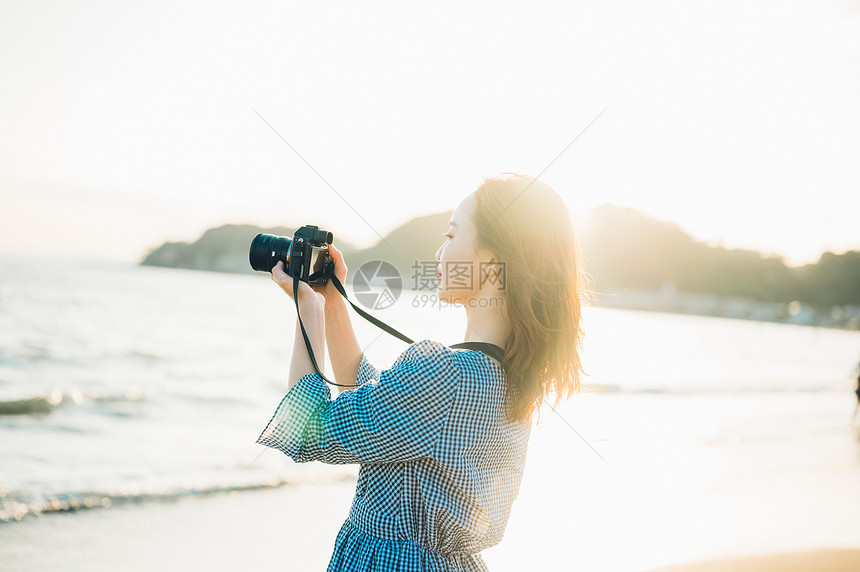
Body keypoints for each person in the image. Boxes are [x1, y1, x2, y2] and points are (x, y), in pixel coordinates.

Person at [255, 173, 588, 571]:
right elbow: (383, 408)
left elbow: (306, 433)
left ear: (490, 264)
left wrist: (307, 313)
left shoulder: (442, 375)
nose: (438, 253)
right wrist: (332, 301)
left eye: (451, 236)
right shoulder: (505, 380)